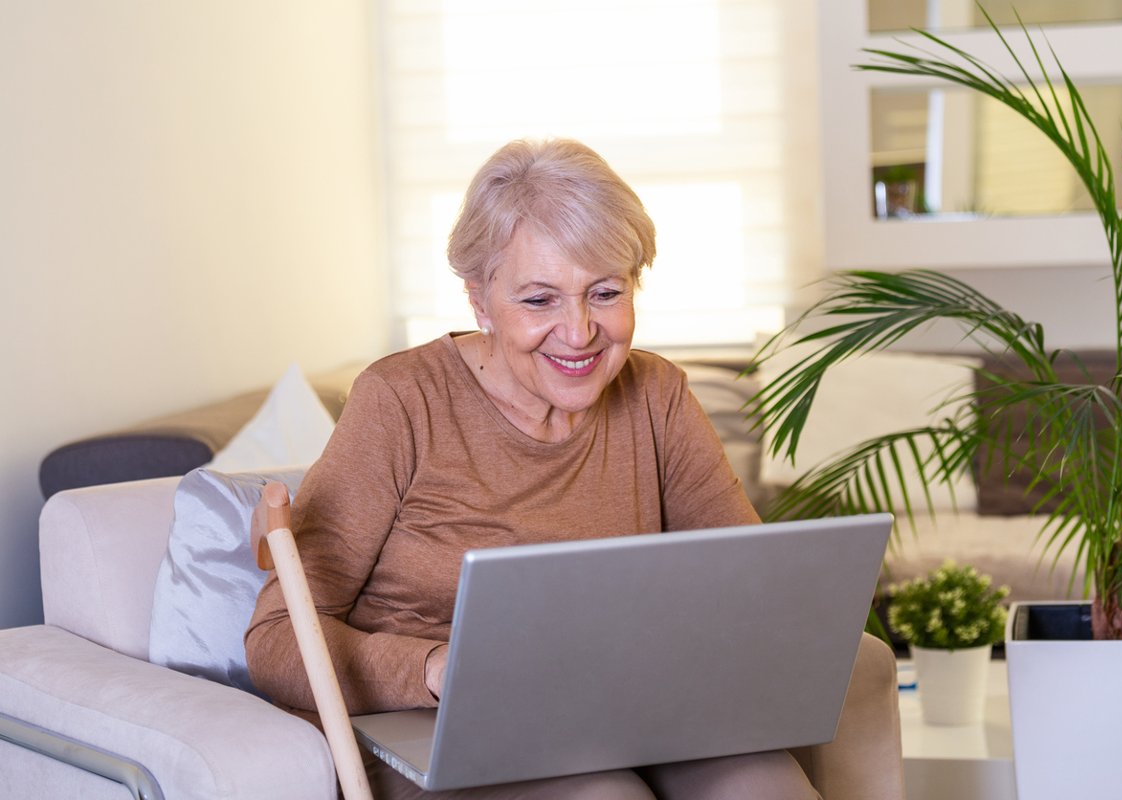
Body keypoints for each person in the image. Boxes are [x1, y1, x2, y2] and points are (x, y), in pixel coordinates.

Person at [245, 138, 901, 799]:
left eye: (605, 292)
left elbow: (750, 586)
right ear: (479, 301)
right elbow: (276, 640)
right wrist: (439, 667)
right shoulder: (400, 402)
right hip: (442, 723)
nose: (580, 331)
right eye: (539, 301)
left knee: (764, 787)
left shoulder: (657, 395)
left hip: (629, 705)